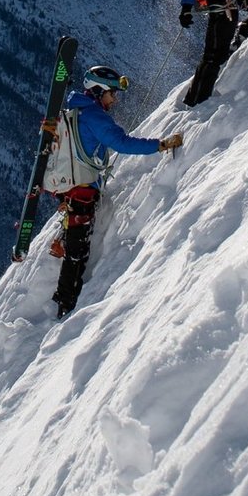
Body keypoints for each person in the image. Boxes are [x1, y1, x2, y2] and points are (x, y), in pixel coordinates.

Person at [42, 63, 181, 318]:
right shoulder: (94, 116)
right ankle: (64, 306)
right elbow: (121, 143)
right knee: (77, 253)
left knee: (76, 246)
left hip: (72, 189)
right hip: (82, 192)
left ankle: (64, 296)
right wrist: (159, 145)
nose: (114, 99)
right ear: (98, 91)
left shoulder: (75, 109)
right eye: (112, 93)